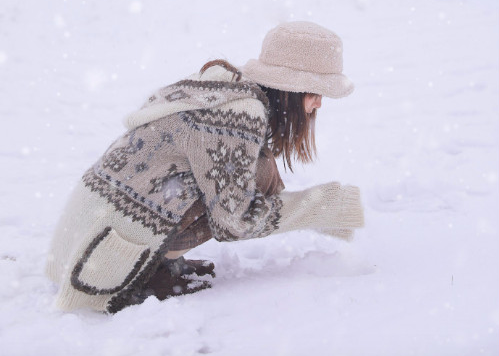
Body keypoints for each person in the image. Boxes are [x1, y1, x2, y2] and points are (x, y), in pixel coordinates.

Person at [46, 21, 364, 314]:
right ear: (292, 88)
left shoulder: (224, 90)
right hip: (100, 262)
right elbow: (235, 220)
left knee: (256, 172)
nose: (319, 104)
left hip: (82, 241)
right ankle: (146, 273)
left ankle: (161, 261)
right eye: (316, 91)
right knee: (256, 177)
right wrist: (326, 207)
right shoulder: (239, 112)